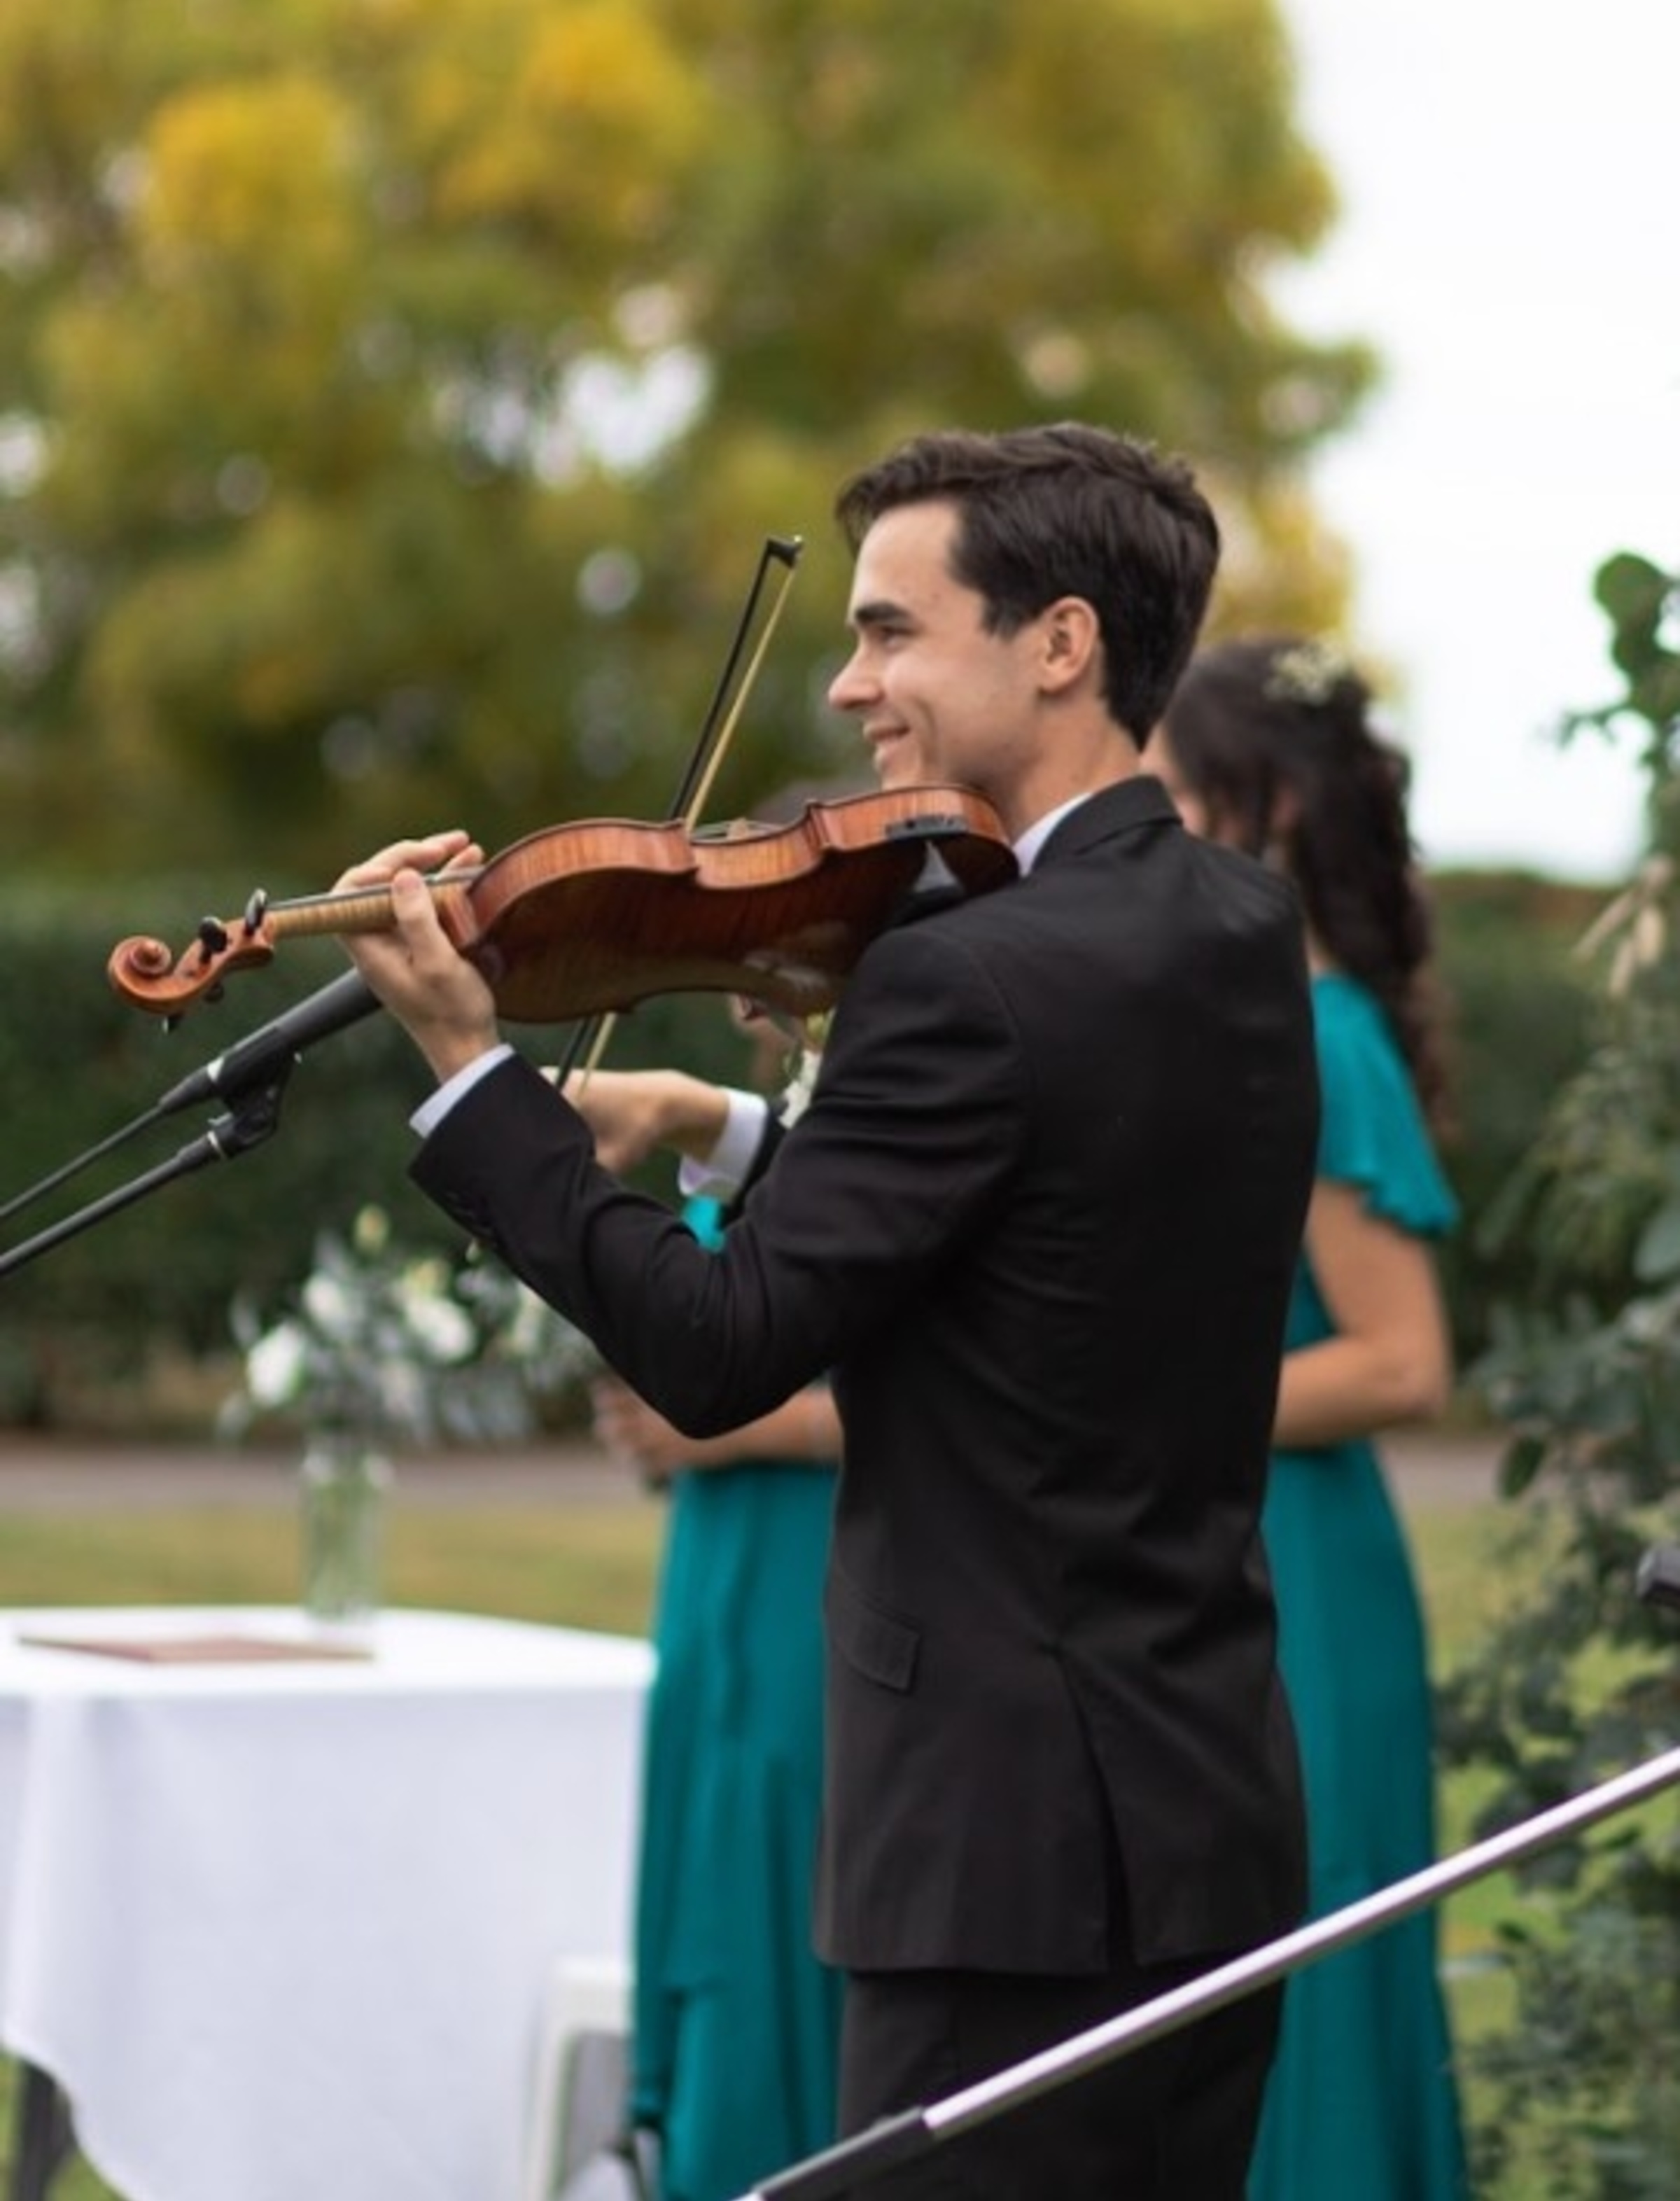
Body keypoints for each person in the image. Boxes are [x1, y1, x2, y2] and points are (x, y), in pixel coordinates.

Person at [335, 422, 1320, 2198]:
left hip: (997, 1859)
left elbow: (720, 1352)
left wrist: (474, 1077)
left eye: (891, 631)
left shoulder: (958, 971)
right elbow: (1055, 1225)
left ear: (1061, 642)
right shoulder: (1235, 927)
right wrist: (743, 1123)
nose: (850, 684)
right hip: (1199, 1815)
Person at [1152, 634, 1469, 2200]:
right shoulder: (1234, 1012)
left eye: (1162, 792)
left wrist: (1148, 1407)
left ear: (1256, 807)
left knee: (1307, 1976)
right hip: (1222, 1550)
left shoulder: (1325, 1033)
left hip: (1304, 1587)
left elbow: (1406, 1361)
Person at [580, 1005, 846, 2201]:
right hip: (718, 1571)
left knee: (778, 1877)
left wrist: (749, 1425)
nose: (744, 1000)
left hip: (816, 1561)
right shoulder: (792, 1119)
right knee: (705, 1856)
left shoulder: (931, 1085)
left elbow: (978, 1367)